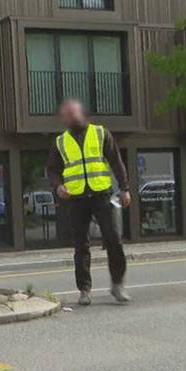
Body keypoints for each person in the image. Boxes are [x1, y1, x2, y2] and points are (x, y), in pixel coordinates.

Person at [47, 99, 132, 306]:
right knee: (81, 246)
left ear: (81, 113)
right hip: (76, 199)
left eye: (73, 112)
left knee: (113, 240)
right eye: (66, 114)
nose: (71, 116)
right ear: (63, 118)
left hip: (102, 194)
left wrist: (125, 188)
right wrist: (58, 187)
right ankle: (84, 290)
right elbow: (52, 170)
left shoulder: (101, 133)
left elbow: (116, 162)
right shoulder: (60, 142)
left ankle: (118, 284)